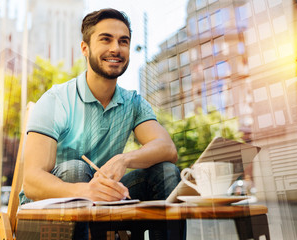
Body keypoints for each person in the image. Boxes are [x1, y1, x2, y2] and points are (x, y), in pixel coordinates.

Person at [20, 8, 180, 240]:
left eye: (123, 41)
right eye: (106, 39)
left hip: (103, 210)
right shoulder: (56, 100)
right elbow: (33, 182)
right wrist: (86, 191)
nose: (116, 48)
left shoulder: (133, 102)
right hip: (47, 218)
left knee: (166, 171)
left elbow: (168, 148)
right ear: (85, 48)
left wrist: (124, 159)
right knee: (75, 169)